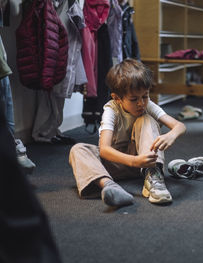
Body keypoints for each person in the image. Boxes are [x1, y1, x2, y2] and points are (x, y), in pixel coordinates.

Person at [69, 59, 186, 207]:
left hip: (144, 163)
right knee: (78, 149)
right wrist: (133, 161)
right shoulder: (111, 110)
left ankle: (154, 178)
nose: (141, 103)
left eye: (145, 96)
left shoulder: (147, 105)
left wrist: (171, 135)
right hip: (117, 163)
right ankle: (110, 186)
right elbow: (104, 150)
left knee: (146, 119)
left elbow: (179, 125)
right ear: (117, 98)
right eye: (134, 99)